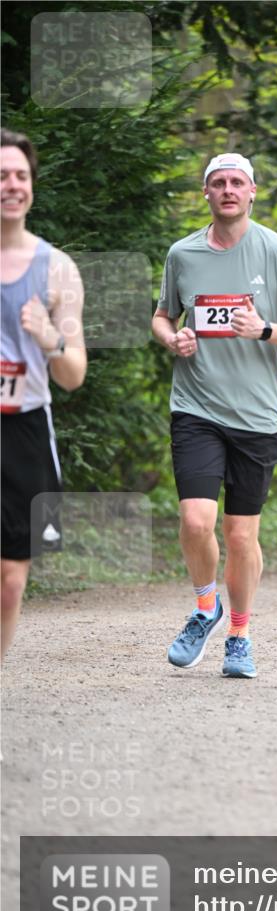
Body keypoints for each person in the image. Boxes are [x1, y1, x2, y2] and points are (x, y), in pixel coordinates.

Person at [152, 153, 277, 678]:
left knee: (242, 536)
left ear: (252, 193)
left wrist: (266, 331)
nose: (228, 190)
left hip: (258, 416)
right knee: (195, 520)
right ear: (206, 193)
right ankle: (206, 608)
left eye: (237, 183)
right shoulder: (183, 254)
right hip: (196, 407)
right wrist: (172, 338)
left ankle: (240, 635)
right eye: (218, 183)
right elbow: (162, 316)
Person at [1, 129, 86, 658]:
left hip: (26, 429)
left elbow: (73, 374)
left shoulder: (57, 269)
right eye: (1, 176)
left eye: (20, 176)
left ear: (32, 186)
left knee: (11, 578)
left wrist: (48, 335)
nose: (11, 185)